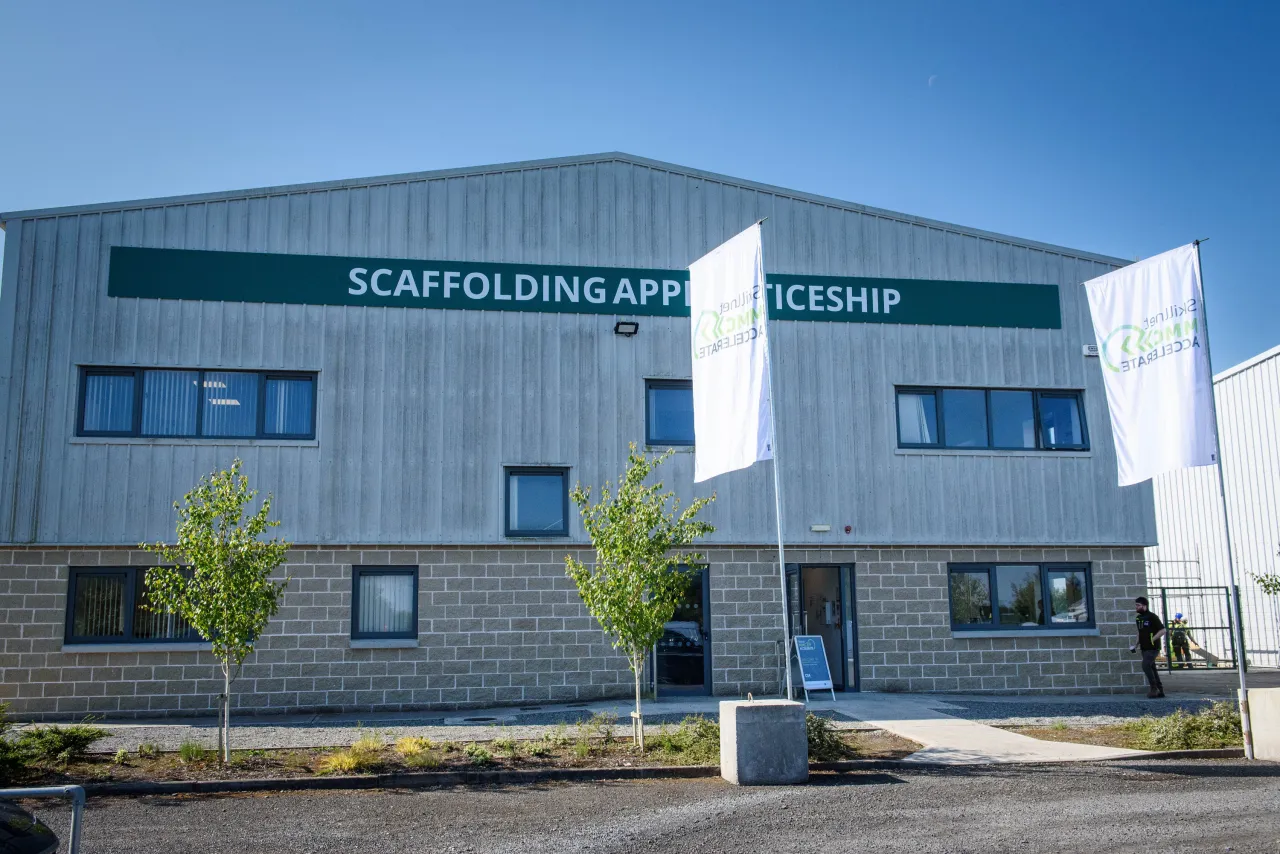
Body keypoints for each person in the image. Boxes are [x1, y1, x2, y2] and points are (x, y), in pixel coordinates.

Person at [1130, 597, 1167, 698]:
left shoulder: (1152, 617)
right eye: (1136, 605)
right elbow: (1139, 632)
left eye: (1138, 605)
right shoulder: (1138, 618)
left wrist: (1152, 639)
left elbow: (1163, 630)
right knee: (1152, 667)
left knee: (1145, 665)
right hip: (1144, 647)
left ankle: (1153, 689)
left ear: (1145, 606)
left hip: (1153, 648)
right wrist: (1136, 645)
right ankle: (1160, 690)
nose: (1136, 607)